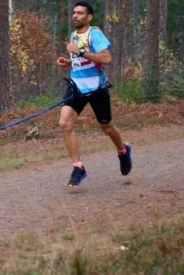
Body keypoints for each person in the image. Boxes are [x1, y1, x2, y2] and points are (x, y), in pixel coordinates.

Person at [56, 1, 132, 188]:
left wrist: (80, 52)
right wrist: (69, 62)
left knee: (106, 127)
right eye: (74, 13)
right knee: (64, 123)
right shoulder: (74, 35)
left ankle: (123, 151)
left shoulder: (95, 34)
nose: (75, 16)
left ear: (89, 17)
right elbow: (82, 60)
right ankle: (78, 167)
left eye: (80, 13)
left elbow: (106, 58)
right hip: (76, 86)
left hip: (97, 88)